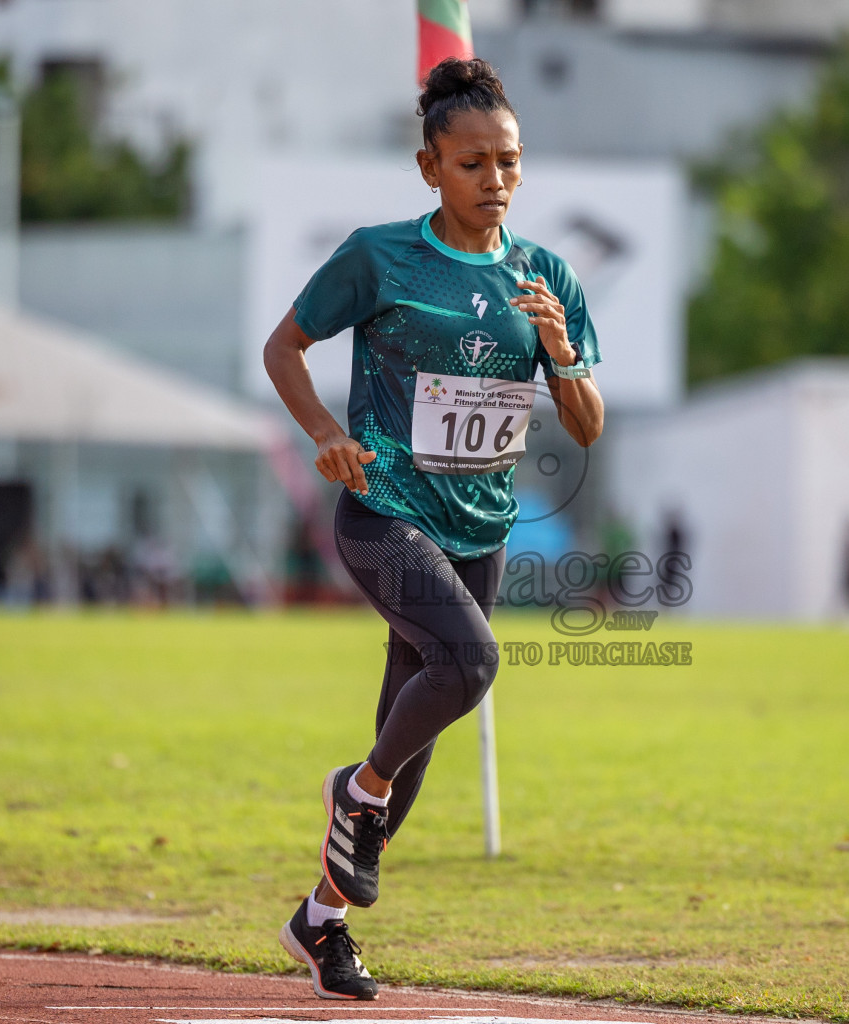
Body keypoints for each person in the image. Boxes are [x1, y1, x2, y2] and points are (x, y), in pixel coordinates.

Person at [261, 57, 604, 1000]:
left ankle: (321, 923)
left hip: (478, 528)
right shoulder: (381, 258)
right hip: (384, 514)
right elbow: (283, 347)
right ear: (429, 168)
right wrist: (327, 434)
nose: (495, 181)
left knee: (414, 734)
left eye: (510, 162)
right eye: (473, 164)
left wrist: (562, 354)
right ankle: (355, 791)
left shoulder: (548, 278)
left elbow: (586, 425)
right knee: (474, 667)